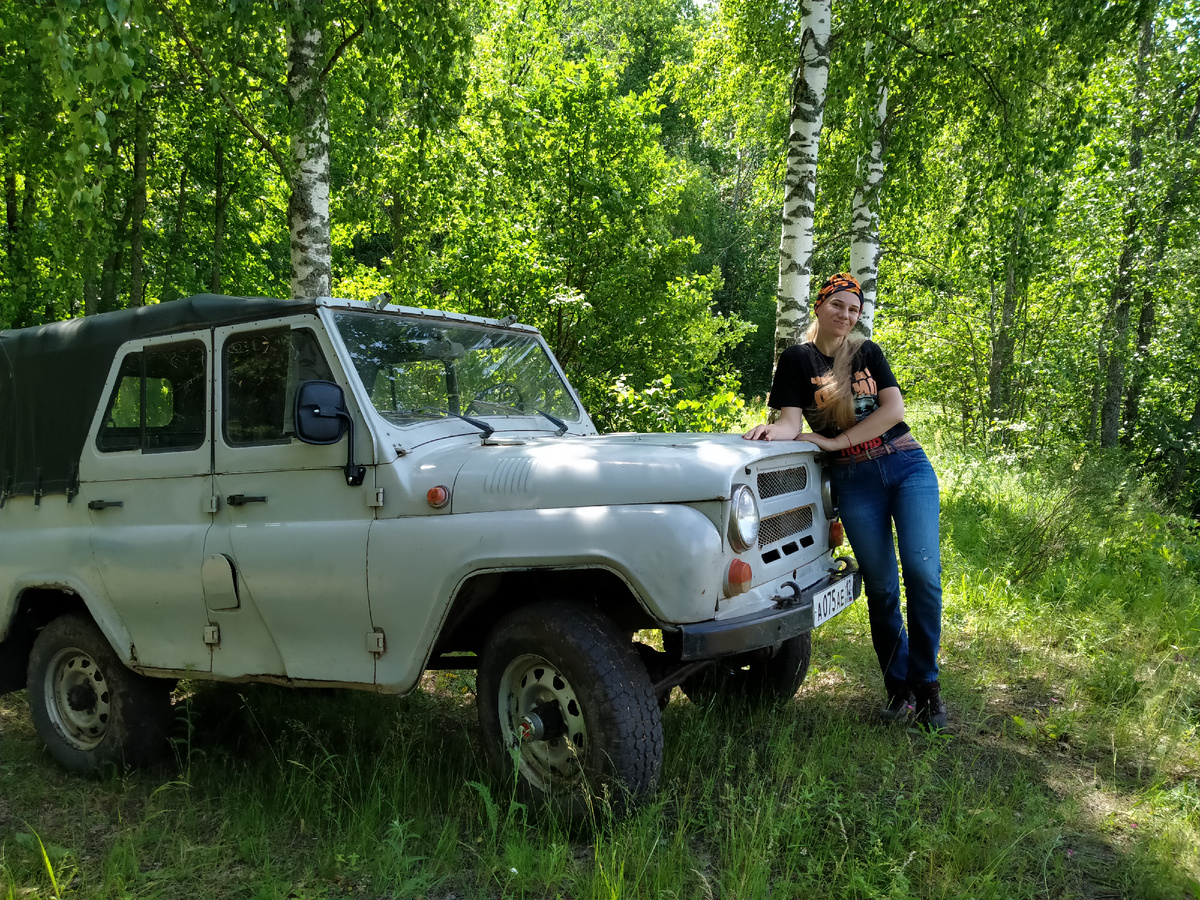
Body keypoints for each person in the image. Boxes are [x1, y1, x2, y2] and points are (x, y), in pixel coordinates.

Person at [744, 273, 947, 728]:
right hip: (854, 481)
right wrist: (771, 433)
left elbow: (894, 411)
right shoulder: (797, 359)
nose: (846, 315)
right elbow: (791, 422)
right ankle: (900, 690)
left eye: (854, 309)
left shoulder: (867, 353)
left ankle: (928, 685)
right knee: (881, 587)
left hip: (905, 465)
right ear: (819, 306)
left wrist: (839, 442)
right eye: (838, 305)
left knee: (922, 575)